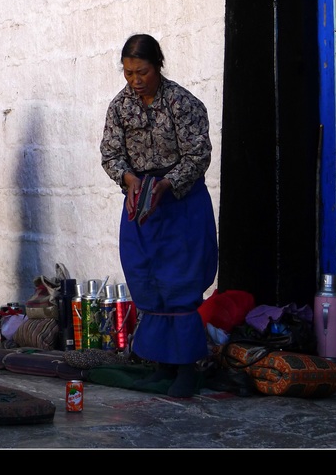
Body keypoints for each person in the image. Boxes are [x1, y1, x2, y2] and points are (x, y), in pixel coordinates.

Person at [100, 34, 218, 398]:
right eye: (128, 72)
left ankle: (187, 367)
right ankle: (161, 364)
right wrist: (129, 178)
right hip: (141, 202)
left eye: (142, 71)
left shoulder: (182, 103)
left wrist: (168, 184)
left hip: (179, 201)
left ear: (158, 66)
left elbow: (198, 154)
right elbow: (110, 153)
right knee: (146, 278)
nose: (135, 80)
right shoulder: (120, 107)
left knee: (179, 280)